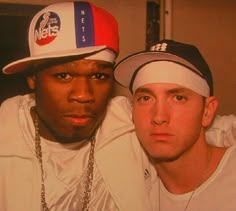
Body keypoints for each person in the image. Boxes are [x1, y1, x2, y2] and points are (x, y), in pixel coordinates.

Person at [1, 2, 235, 211]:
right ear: (32, 78)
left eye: (99, 77)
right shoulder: (7, 136)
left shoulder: (124, 119)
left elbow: (210, 128)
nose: (83, 95)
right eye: (63, 75)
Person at [114, 39, 236, 210]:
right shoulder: (131, 191)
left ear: (207, 111)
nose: (159, 116)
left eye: (178, 98)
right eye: (146, 98)